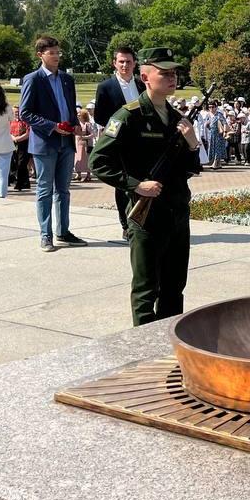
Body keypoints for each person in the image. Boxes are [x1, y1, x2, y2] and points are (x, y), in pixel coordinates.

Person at [89, 47, 202, 326]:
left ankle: (169, 343)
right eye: (164, 73)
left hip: (176, 212)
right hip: (148, 215)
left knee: (174, 287)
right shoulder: (129, 116)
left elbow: (189, 168)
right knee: (145, 289)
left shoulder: (177, 119)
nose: (171, 78)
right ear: (145, 77)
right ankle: (144, 349)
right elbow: (98, 161)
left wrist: (192, 144)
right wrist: (136, 186)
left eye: (174, 73)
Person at [19, 35, 86, 252]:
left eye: (58, 52)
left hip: (66, 142)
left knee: (64, 191)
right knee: (45, 190)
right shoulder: (33, 79)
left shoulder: (67, 79)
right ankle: (46, 235)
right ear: (40, 55)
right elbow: (25, 113)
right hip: (45, 143)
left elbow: (70, 107)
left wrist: (74, 124)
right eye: (52, 53)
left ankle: (63, 231)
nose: (57, 56)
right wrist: (51, 126)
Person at [93, 46, 144, 239]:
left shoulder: (140, 85)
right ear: (114, 63)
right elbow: (100, 116)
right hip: (120, 142)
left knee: (142, 182)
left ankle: (140, 220)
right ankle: (126, 224)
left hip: (141, 142)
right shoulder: (106, 87)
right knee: (123, 185)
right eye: (121, 61)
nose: (125, 65)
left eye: (128, 61)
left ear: (134, 63)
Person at [73, 109, 96, 181]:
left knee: (86, 160)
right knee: (77, 159)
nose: (78, 116)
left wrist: (84, 137)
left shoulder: (88, 124)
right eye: (77, 115)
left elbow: (93, 134)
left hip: (86, 145)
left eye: (80, 115)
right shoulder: (77, 124)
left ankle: (88, 175)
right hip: (77, 144)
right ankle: (78, 174)